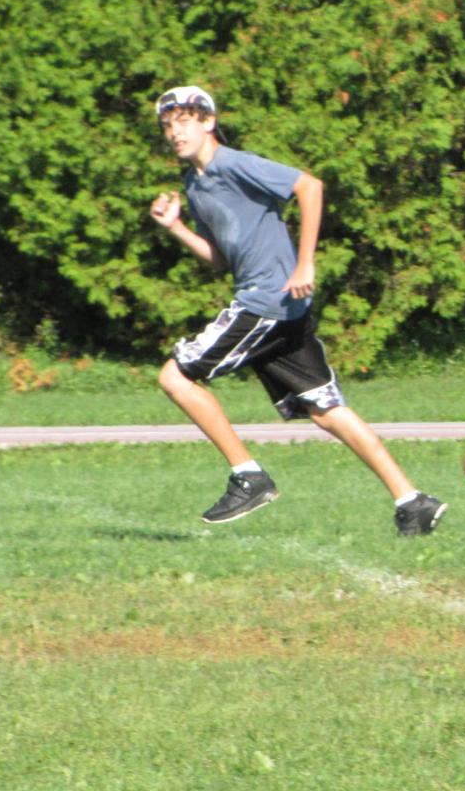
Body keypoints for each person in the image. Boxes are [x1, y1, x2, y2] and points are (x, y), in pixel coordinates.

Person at [149, 85, 446, 535]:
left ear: (209, 122)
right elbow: (221, 259)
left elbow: (309, 186)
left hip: (265, 301)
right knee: (325, 409)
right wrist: (176, 228)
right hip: (281, 307)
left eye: (185, 121)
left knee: (175, 377)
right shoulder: (195, 185)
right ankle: (413, 502)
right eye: (168, 125)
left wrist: (305, 262)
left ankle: (248, 477)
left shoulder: (233, 163)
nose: (175, 132)